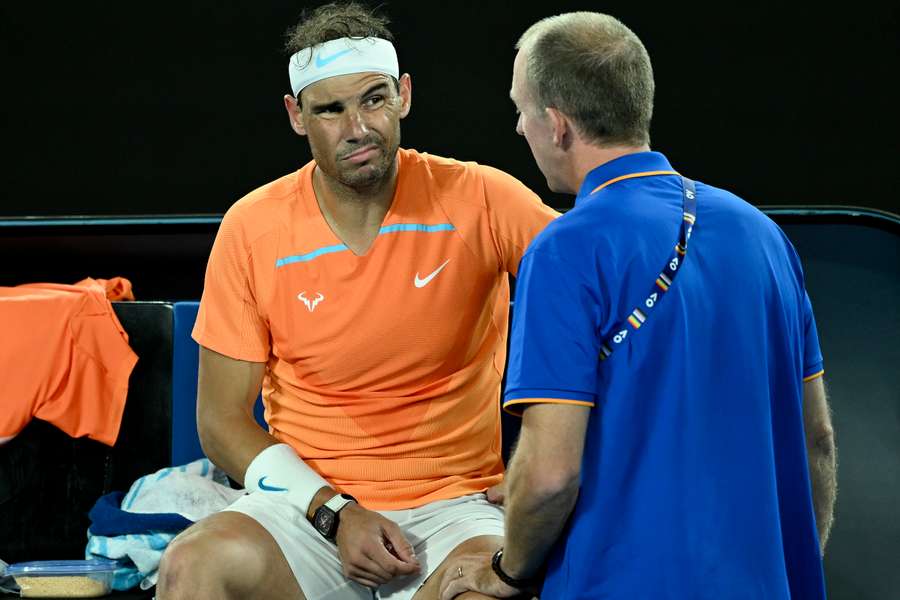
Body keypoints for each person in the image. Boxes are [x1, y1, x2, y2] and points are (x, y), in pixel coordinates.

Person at [155, 3, 557, 600]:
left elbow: (603, 307)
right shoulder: (252, 228)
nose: (358, 128)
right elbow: (219, 423)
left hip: (455, 507)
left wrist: (545, 457)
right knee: (192, 565)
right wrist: (335, 514)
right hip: (306, 510)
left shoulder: (483, 198)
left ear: (405, 96)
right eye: (331, 109)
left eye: (374, 99)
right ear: (297, 116)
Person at [439, 11, 837, 600]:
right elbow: (817, 440)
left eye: (521, 110)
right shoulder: (764, 235)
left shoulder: (566, 249)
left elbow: (550, 474)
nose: (520, 129)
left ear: (557, 124)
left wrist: (505, 571)